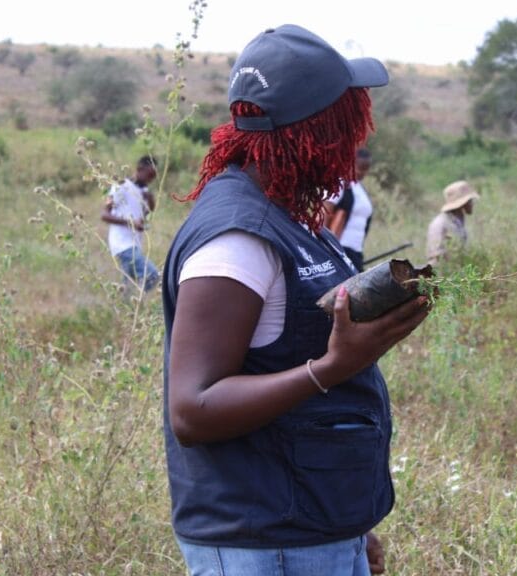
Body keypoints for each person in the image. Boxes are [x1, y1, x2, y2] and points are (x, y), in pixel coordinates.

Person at [161, 24, 430, 576]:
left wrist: (352, 531)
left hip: (308, 532)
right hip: (266, 546)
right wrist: (333, 366)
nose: (356, 142)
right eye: (348, 122)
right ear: (319, 131)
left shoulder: (288, 214)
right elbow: (193, 408)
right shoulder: (238, 237)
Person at [100, 155, 160, 294]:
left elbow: (146, 215)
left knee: (128, 286)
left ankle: (130, 310)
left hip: (133, 244)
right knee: (152, 276)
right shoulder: (121, 186)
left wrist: (150, 201)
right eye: (149, 175)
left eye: (153, 177)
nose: (150, 180)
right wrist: (131, 223)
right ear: (140, 169)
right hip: (122, 244)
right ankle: (136, 303)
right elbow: (105, 215)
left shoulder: (143, 192)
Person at [324, 148, 374, 271]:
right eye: (360, 167)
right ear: (351, 163)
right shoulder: (339, 184)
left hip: (355, 252)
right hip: (339, 249)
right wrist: (324, 245)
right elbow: (324, 211)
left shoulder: (360, 189)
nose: (362, 172)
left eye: (365, 169)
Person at [426, 180, 479, 266]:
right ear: (463, 203)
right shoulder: (441, 223)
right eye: (470, 201)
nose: (472, 204)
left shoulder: (457, 220)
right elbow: (437, 256)